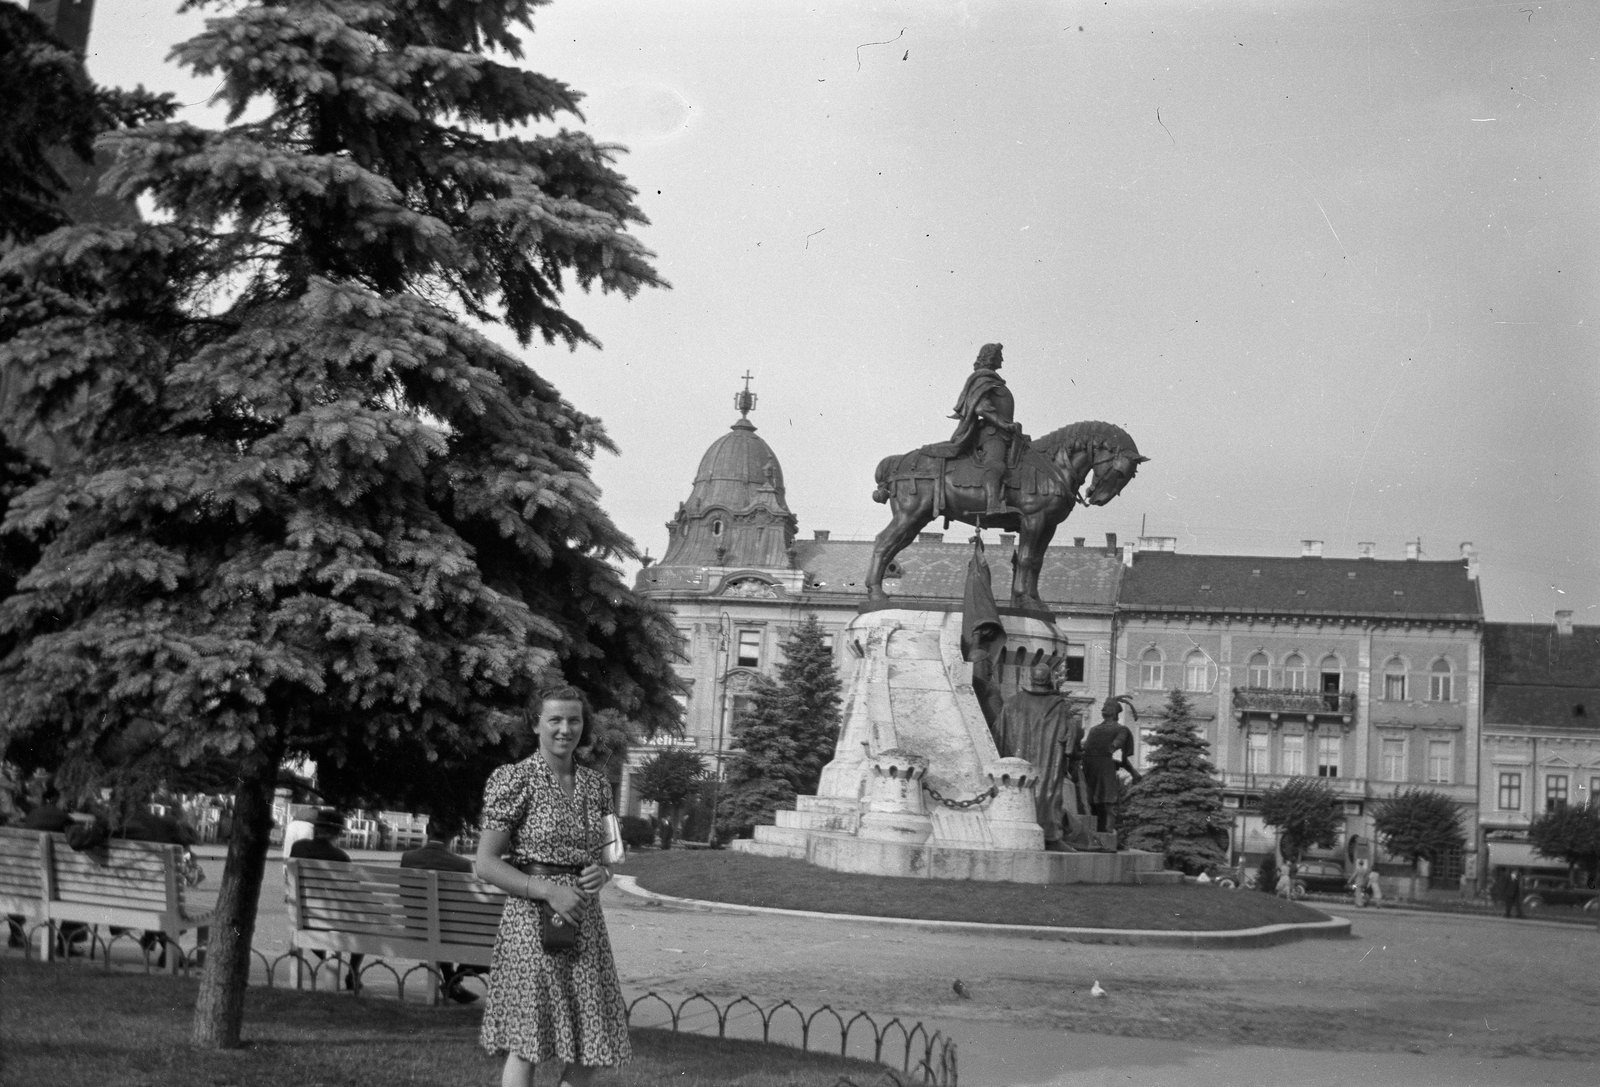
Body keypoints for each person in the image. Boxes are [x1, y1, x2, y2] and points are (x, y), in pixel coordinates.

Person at [474, 685, 630, 1087]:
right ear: (536, 723)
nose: (565, 729)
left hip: (583, 920)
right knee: (528, 1042)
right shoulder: (514, 779)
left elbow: (610, 856)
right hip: (531, 922)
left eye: (574, 720)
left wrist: (603, 873)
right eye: (555, 719)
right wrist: (546, 890)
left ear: (584, 724)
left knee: (594, 1042)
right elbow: (486, 863)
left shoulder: (597, 786)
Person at [924, 343, 1023, 516]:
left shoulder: (993, 380)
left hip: (1006, 434)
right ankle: (993, 503)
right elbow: (981, 408)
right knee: (996, 464)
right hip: (992, 434)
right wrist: (1003, 424)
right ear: (991, 357)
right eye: (1000, 356)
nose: (1002, 359)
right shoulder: (982, 379)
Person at [992, 663, 1081, 849]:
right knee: (1048, 793)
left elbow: (997, 735)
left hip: (1015, 764)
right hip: (1047, 766)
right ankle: (1050, 835)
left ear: (1031, 679)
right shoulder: (1058, 706)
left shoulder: (1011, 702)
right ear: (1050, 680)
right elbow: (1070, 743)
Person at [400, 814, 483, 1004]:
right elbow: (466, 905)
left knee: (437, 926)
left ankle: (453, 981)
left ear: (427, 830)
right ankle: (454, 980)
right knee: (446, 927)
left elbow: (405, 895)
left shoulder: (408, 858)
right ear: (453, 835)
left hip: (415, 928)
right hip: (450, 932)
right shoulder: (462, 864)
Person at [289, 809, 363, 988]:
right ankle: (352, 971)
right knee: (361, 924)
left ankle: (331, 960)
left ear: (315, 829)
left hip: (303, 917)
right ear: (338, 833)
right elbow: (350, 892)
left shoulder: (298, 847)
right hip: (334, 919)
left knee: (310, 931)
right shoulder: (340, 857)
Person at [1079, 695, 1142, 838]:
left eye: (1107, 706)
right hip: (1089, 768)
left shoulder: (1121, 729)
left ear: (1114, 711)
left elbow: (1120, 751)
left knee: (1107, 800)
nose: (1103, 708)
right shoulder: (1094, 729)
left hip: (1106, 767)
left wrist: (1133, 772)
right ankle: (1093, 832)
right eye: (1104, 706)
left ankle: (1108, 833)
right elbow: (1087, 748)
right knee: (1090, 801)